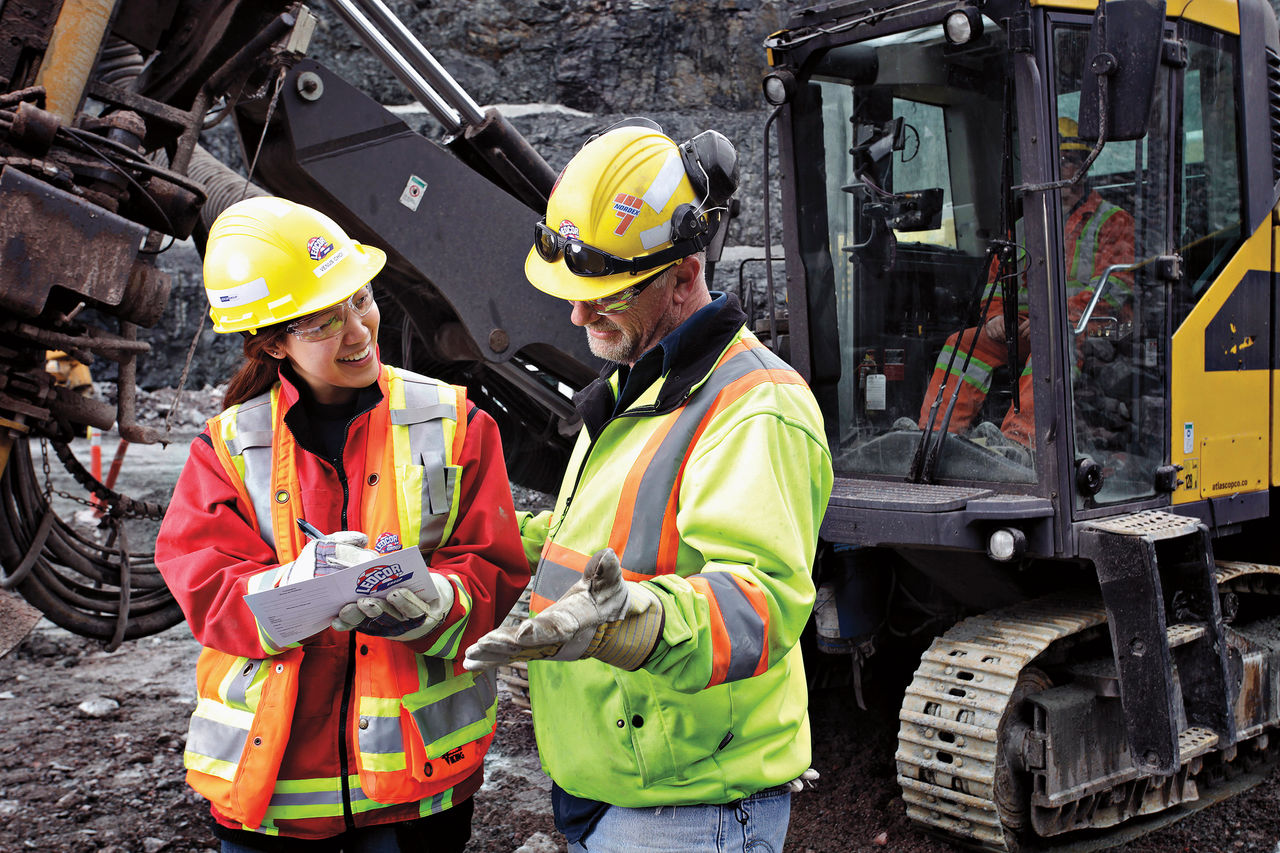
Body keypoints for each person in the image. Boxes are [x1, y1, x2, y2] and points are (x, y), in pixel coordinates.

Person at [463, 122, 834, 853]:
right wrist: (481, 528)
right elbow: (599, 550)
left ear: (684, 276)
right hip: (620, 789)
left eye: (603, 296)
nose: (577, 315)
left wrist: (629, 619)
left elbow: (757, 604)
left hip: (687, 808)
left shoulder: (756, 405)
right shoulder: (646, 385)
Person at [155, 196, 528, 852]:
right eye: (325, 322)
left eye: (361, 300)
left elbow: (492, 569)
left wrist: (434, 601)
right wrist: (296, 589)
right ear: (274, 340)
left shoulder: (456, 423)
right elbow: (205, 588)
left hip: (415, 792)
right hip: (273, 798)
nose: (359, 332)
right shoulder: (229, 446)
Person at [915, 116, 1135, 447]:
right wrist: (995, 318)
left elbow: (1112, 290)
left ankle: (1018, 446)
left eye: (1071, 161)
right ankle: (934, 437)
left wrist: (1054, 319)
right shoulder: (1023, 228)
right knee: (961, 344)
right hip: (1026, 328)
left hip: (1088, 330)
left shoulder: (1114, 221)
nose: (1063, 170)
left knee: (1050, 348)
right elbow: (997, 281)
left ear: (1084, 167)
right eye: (1056, 161)